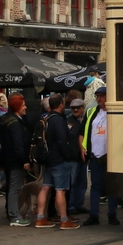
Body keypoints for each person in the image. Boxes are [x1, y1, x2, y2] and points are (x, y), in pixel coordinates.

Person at [35, 93, 80, 228]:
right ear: (61, 105)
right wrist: (68, 156)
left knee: (45, 188)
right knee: (61, 190)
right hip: (59, 160)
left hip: (48, 159)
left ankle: (40, 217)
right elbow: (62, 141)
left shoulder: (47, 118)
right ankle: (64, 220)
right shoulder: (59, 121)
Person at [81, 86, 119, 226]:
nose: (99, 99)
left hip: (110, 156)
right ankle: (94, 215)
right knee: (95, 186)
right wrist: (83, 147)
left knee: (112, 187)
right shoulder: (92, 112)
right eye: (97, 96)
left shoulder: (115, 112)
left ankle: (112, 214)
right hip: (95, 155)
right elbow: (83, 130)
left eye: (102, 96)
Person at [0, 94, 31, 226]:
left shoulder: (2, 120)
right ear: (17, 107)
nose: (25, 107)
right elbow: (18, 144)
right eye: (23, 105)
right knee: (15, 188)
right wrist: (24, 160)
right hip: (15, 160)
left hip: (5, 159)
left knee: (10, 186)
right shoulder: (16, 123)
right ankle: (14, 215)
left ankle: (10, 211)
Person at [67, 98, 89, 214]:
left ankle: (79, 204)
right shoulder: (69, 122)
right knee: (72, 182)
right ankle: (70, 206)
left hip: (83, 157)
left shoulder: (85, 120)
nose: (75, 110)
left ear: (82, 109)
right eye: (73, 108)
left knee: (82, 182)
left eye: (78, 108)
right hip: (73, 157)